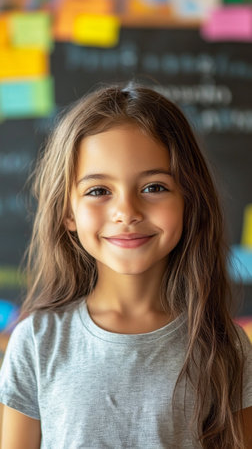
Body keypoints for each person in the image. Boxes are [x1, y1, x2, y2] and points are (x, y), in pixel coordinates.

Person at [0, 83, 251, 449]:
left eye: (153, 187)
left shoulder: (226, 348)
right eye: (99, 191)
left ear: (189, 200)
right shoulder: (37, 343)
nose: (127, 213)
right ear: (67, 212)